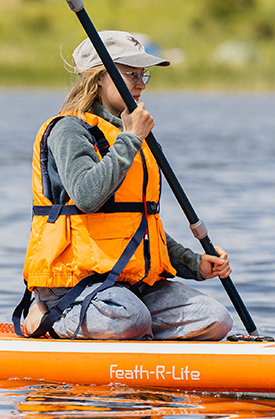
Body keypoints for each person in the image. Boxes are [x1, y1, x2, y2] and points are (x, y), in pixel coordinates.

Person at [15, 31, 233, 341]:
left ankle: (132, 333)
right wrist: (130, 139)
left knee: (216, 319)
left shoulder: (129, 134)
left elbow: (138, 225)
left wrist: (195, 264)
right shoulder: (70, 130)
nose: (141, 83)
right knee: (129, 319)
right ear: (99, 78)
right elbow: (87, 197)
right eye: (131, 74)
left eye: (143, 74)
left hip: (132, 287)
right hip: (78, 285)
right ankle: (48, 316)